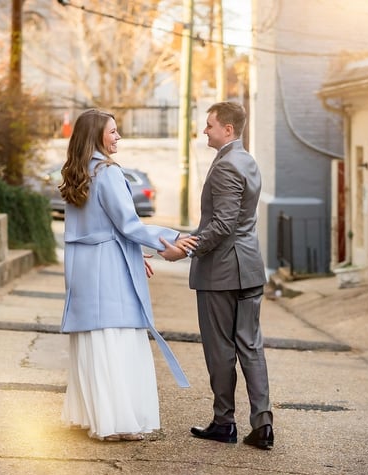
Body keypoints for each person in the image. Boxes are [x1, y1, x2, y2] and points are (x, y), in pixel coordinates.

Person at [59, 108, 197, 442]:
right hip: (108, 267)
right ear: (97, 137)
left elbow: (103, 226)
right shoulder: (107, 172)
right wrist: (172, 239)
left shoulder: (78, 171)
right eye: (113, 132)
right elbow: (128, 224)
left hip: (83, 265)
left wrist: (134, 254)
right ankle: (117, 420)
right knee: (116, 336)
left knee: (94, 337)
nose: (118, 137)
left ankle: (92, 415)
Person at [161, 101, 274, 450]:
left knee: (220, 349)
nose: (204, 130)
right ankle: (263, 423)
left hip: (223, 271)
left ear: (228, 129)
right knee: (250, 345)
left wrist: (185, 248)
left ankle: (224, 422)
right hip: (250, 267)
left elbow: (222, 224)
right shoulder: (247, 160)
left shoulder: (226, 165)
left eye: (209, 125)